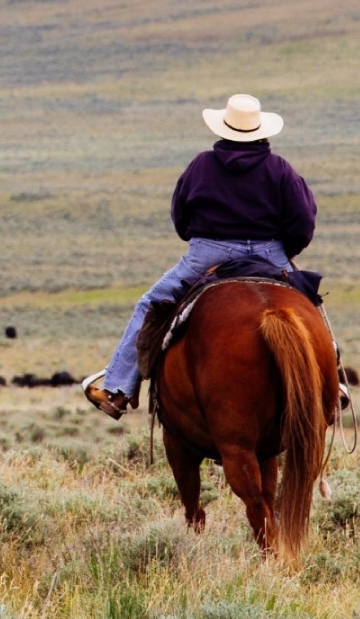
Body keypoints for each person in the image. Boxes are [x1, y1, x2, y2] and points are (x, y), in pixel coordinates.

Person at [92, 94, 317, 413]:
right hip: (269, 253)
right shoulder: (280, 169)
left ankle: (117, 389)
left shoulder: (201, 165)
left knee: (151, 303)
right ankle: (330, 386)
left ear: (223, 128)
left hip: (209, 252)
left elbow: (180, 215)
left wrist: (201, 239)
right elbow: (303, 220)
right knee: (310, 307)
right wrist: (284, 250)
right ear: (261, 131)